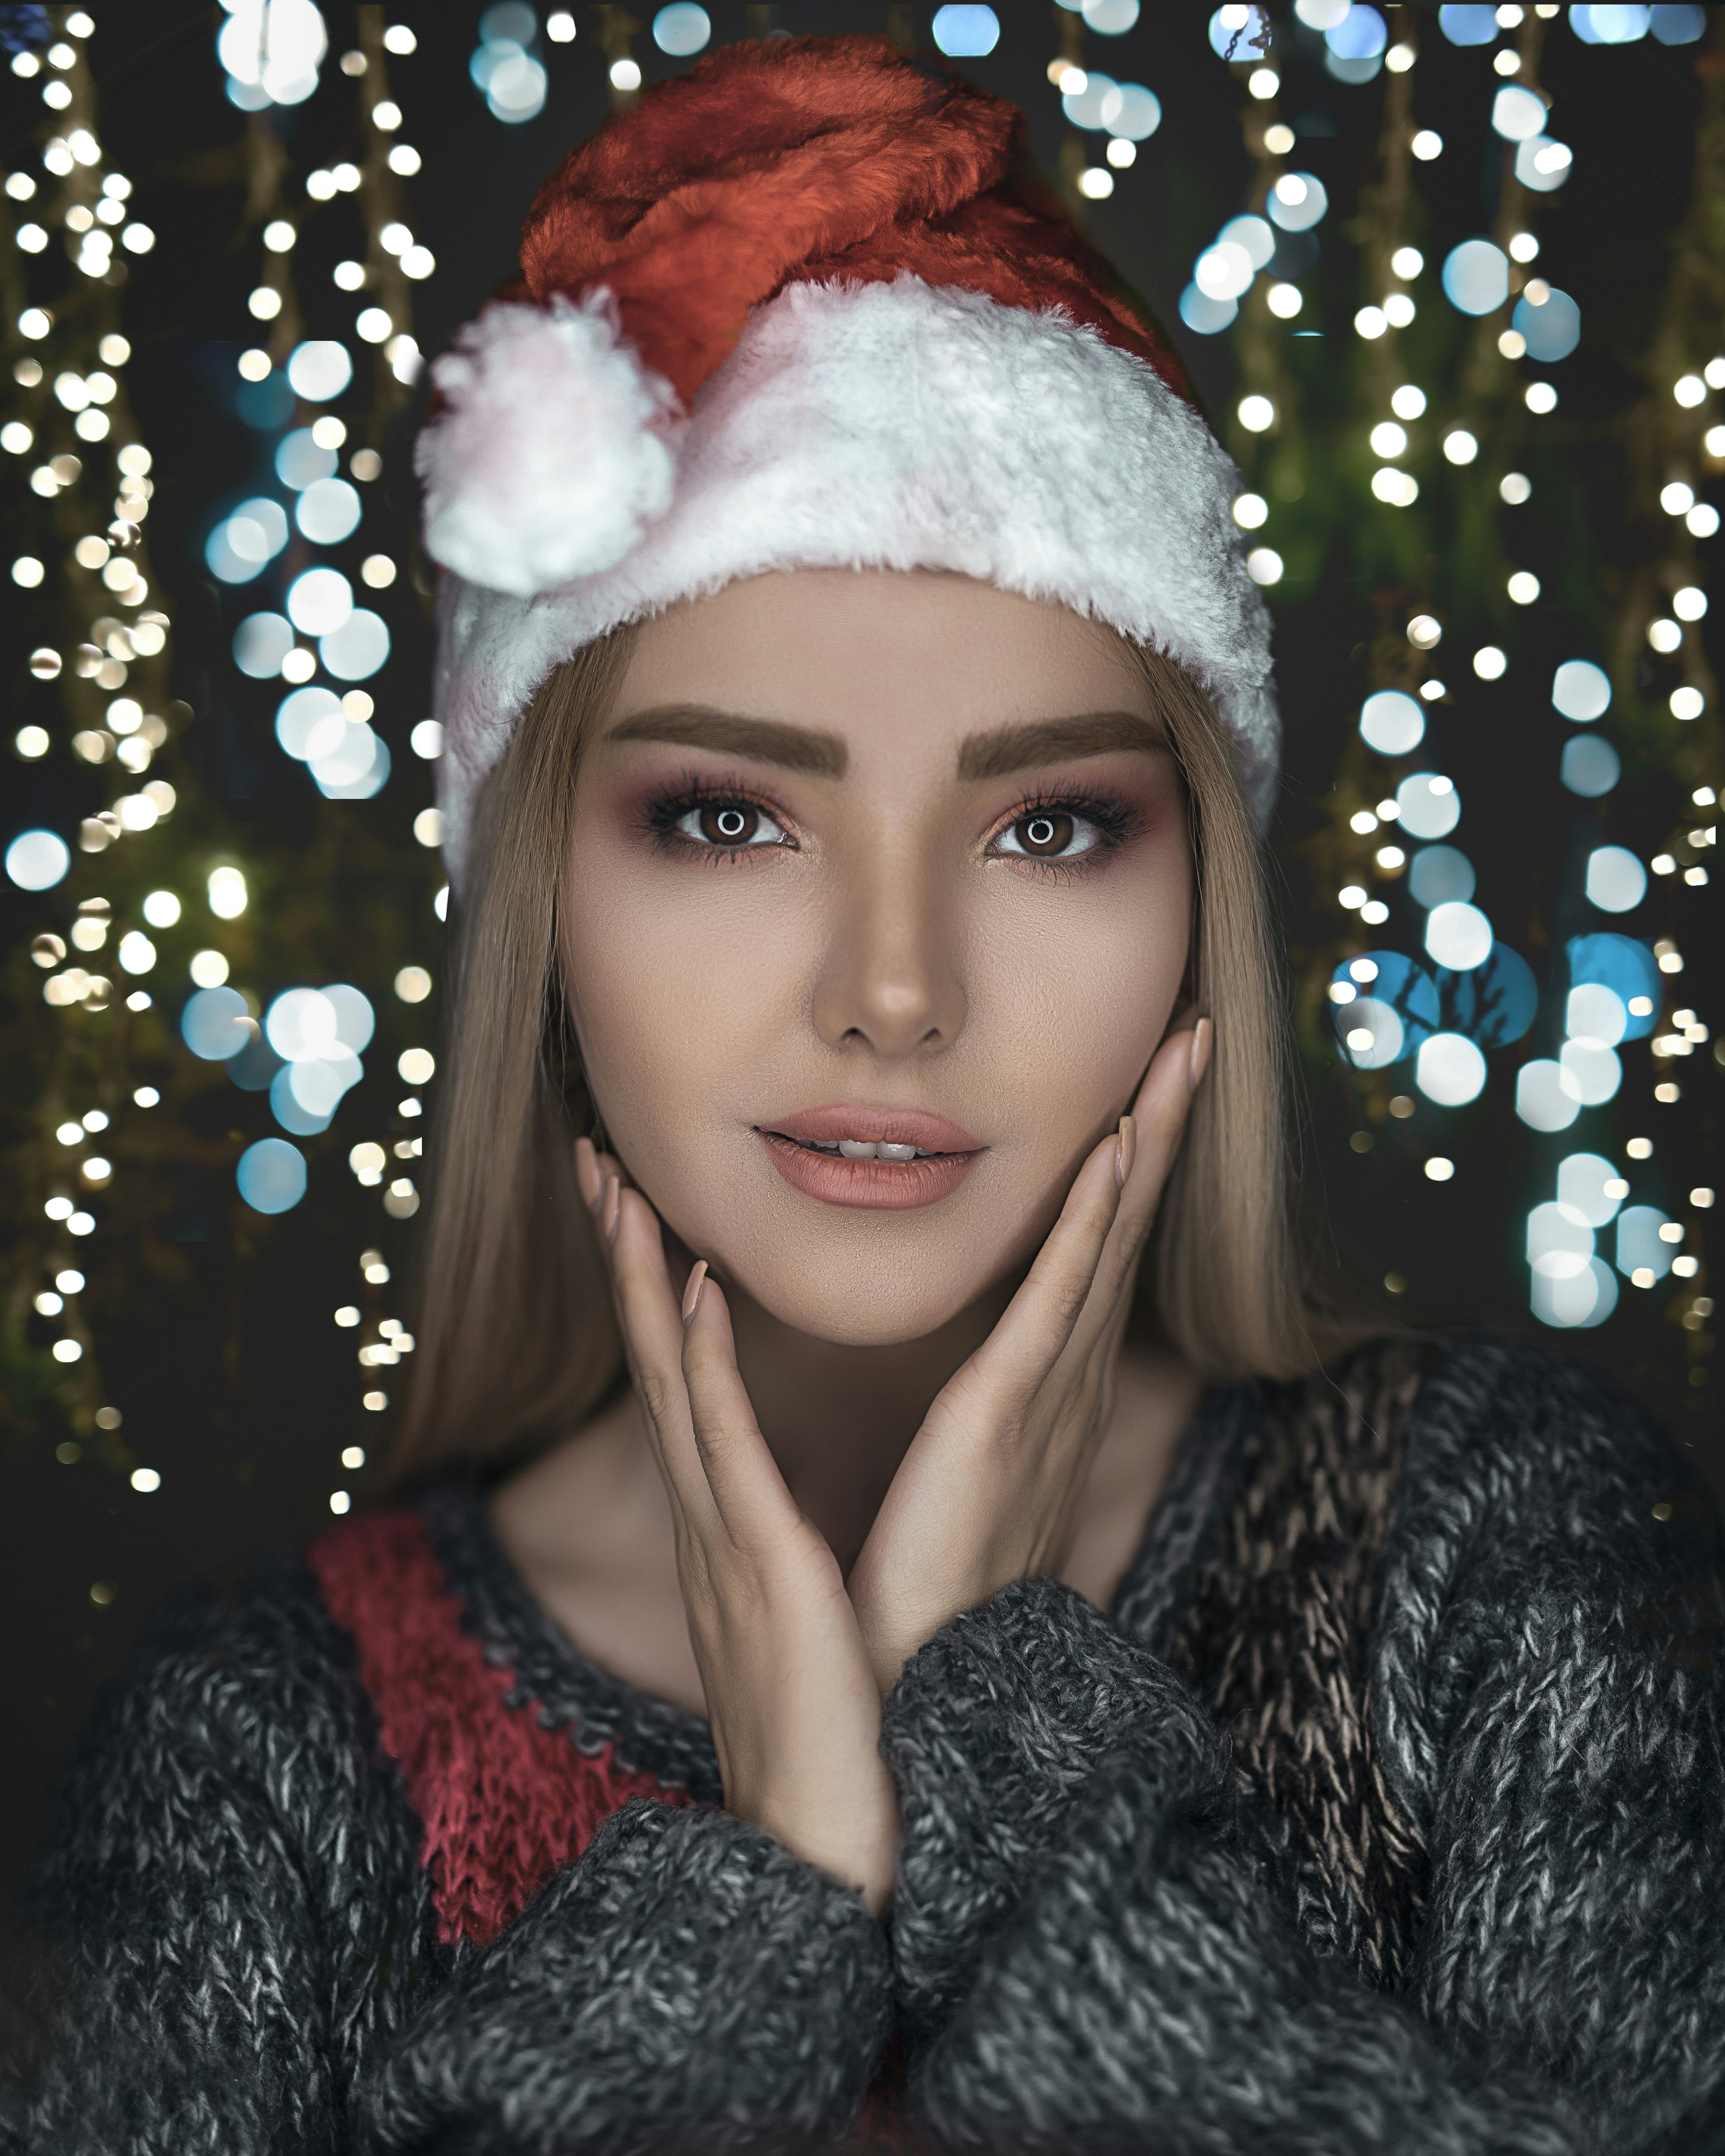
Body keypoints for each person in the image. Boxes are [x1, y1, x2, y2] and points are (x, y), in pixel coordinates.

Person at [6, 33, 1723, 2156]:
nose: (897, 991)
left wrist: (1003, 1711)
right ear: (546, 893)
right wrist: (769, 1897)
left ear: (1195, 889)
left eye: (1052, 826)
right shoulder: (267, 1737)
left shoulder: (1510, 1552)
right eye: (729, 817)